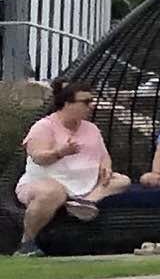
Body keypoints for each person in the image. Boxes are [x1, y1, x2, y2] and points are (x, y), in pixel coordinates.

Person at [19, 81, 113, 241]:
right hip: (46, 181)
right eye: (86, 102)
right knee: (52, 192)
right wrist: (60, 152)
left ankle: (82, 203)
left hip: (85, 184)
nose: (91, 106)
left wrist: (106, 167)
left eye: (92, 101)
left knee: (120, 181)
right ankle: (27, 242)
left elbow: (103, 155)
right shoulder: (43, 127)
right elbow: (38, 157)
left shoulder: (91, 128)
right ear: (68, 104)